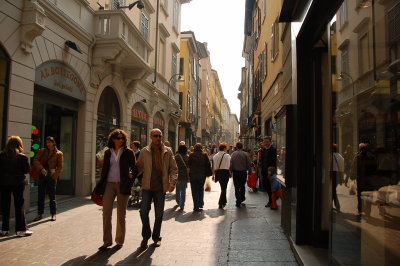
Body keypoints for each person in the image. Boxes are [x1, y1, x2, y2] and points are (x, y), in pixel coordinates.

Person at [96, 129, 137, 251]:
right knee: (106, 211)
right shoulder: (108, 152)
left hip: (122, 184)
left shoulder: (129, 152)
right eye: (118, 138)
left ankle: (119, 240)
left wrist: (131, 175)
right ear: (113, 139)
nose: (121, 140)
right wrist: (101, 184)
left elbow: (135, 168)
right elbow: (104, 169)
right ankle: (106, 241)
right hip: (109, 184)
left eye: (122, 138)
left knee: (121, 214)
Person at [136, 128, 178, 248]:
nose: (158, 138)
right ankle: (146, 235)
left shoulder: (167, 151)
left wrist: (172, 182)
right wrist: (131, 174)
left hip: (160, 187)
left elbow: (174, 168)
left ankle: (156, 237)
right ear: (151, 137)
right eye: (155, 136)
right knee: (143, 212)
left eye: (160, 136)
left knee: (159, 214)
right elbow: (139, 166)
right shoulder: (144, 151)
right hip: (147, 187)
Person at [0, 136, 32, 237]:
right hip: (18, 183)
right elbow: (27, 170)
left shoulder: (1, 156)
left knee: (5, 206)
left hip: (4, 183)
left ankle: (4, 229)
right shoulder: (22, 157)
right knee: (19, 205)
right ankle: (20, 229)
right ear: (19, 145)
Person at [33, 136, 63, 221]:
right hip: (42, 175)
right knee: (40, 196)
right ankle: (40, 214)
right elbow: (35, 160)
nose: (48, 144)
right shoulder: (42, 151)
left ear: (53, 143)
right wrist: (41, 168)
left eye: (49, 142)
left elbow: (60, 167)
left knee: (52, 196)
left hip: (51, 176)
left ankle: (53, 214)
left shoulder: (58, 153)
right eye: (47, 142)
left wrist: (54, 175)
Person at [188, 143, 213, 212]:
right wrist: (209, 174)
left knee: (194, 190)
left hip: (193, 174)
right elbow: (208, 164)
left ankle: (196, 206)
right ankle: (200, 203)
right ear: (201, 148)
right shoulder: (204, 155)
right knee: (200, 189)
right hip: (202, 174)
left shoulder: (191, 155)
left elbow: (188, 164)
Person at [230, 142, 252, 207]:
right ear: (242, 147)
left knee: (236, 187)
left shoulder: (233, 154)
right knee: (242, 186)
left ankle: (238, 200)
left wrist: (230, 172)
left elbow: (231, 163)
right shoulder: (245, 154)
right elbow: (248, 163)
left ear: (236, 147)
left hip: (236, 173)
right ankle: (242, 198)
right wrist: (250, 171)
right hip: (243, 172)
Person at [212, 143, 231, 209]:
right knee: (224, 188)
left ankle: (224, 201)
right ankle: (221, 202)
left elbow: (214, 167)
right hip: (225, 172)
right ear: (224, 148)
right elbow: (229, 165)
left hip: (218, 172)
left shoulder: (215, 156)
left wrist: (213, 175)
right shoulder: (227, 156)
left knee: (223, 187)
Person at [261, 136, 277, 207]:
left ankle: (271, 201)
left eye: (267, 142)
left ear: (270, 142)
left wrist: (271, 171)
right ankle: (271, 199)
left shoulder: (273, 150)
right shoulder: (264, 150)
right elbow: (262, 160)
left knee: (271, 187)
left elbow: (274, 161)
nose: (265, 143)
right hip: (264, 171)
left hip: (271, 172)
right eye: (264, 142)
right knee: (266, 186)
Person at [174, 144, 189, 210]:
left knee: (177, 189)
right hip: (185, 175)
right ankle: (182, 204)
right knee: (183, 190)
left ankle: (178, 201)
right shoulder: (187, 157)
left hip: (177, 175)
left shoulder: (176, 156)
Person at [332, 144, 344, 211]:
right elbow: (341, 169)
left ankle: (337, 206)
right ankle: (334, 206)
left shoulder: (330, 156)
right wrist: (341, 178)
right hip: (336, 174)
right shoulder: (340, 156)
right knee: (333, 190)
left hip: (331, 174)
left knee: (332, 191)